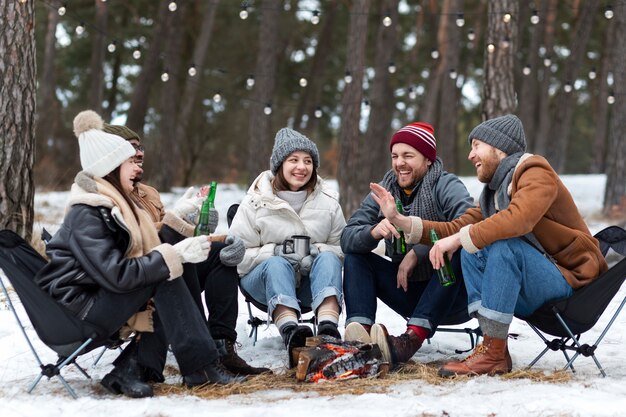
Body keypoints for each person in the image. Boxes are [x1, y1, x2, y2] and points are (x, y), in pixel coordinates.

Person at [369, 114, 608, 377]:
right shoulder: (493, 195)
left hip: (570, 285)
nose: (471, 155)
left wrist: (461, 237)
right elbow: (455, 228)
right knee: (473, 248)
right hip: (537, 284)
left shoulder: (535, 171)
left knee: (503, 245)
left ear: (499, 147)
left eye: (477, 146)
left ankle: (493, 353)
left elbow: (520, 218)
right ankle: (492, 347)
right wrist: (400, 221)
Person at [35, 110, 245, 398]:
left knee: (166, 267)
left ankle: (134, 369)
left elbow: (146, 249)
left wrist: (179, 230)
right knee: (165, 271)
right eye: (129, 162)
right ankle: (201, 368)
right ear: (110, 167)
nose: (138, 169)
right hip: (80, 312)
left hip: (96, 299)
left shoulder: (113, 204)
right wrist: (175, 255)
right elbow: (119, 275)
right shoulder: (87, 213)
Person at [101, 123, 271, 378]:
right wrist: (177, 219)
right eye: (132, 150)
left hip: (162, 265)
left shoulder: (148, 193)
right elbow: (141, 239)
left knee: (219, 253)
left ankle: (221, 346)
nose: (140, 155)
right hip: (142, 278)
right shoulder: (107, 195)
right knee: (176, 260)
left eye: (140, 148)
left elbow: (171, 234)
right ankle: (202, 357)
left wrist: (203, 228)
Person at [340, 122, 474, 368]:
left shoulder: (446, 184)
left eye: (408, 156)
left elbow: (469, 223)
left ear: (428, 160)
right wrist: (373, 231)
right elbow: (347, 237)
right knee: (355, 257)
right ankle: (360, 337)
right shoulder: (386, 190)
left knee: (456, 250)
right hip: (407, 288)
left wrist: (419, 252)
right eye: (395, 156)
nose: (399, 163)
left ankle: (411, 339)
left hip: (450, 293)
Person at [229, 128, 346, 365]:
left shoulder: (329, 202)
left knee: (329, 258)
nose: (301, 167)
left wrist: (317, 251)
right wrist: (273, 251)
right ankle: (291, 332)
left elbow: (342, 249)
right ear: (279, 165)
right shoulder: (255, 201)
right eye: (293, 160)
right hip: (263, 283)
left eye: (308, 161)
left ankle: (327, 330)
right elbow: (236, 257)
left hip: (310, 286)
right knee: (276, 263)